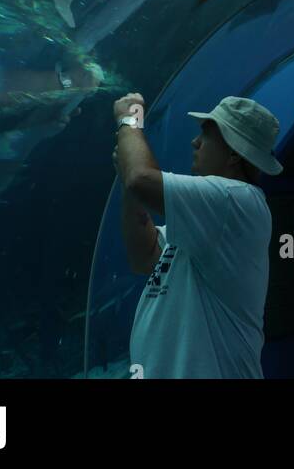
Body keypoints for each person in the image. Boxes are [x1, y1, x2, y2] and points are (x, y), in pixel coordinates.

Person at [116, 93, 280, 378]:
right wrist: (127, 181)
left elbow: (140, 179)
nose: (195, 142)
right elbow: (144, 257)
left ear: (234, 154)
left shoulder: (234, 199)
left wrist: (129, 119)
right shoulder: (210, 219)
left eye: (206, 134)